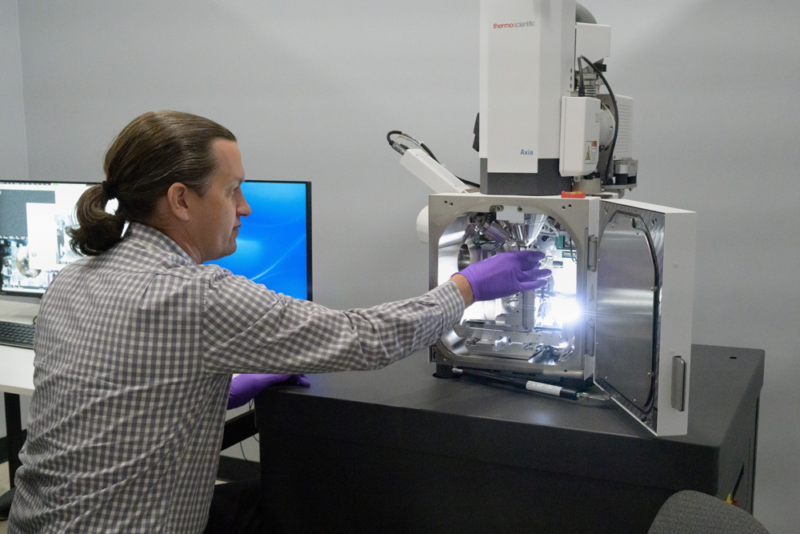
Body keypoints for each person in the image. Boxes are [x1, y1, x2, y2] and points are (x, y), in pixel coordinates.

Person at [7, 111, 550, 534]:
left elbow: (125, 398)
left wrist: (240, 383)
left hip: (38, 522)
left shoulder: (71, 280)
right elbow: (364, 339)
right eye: (232, 190)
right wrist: (469, 287)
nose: (244, 208)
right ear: (180, 200)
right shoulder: (195, 295)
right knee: (311, 509)